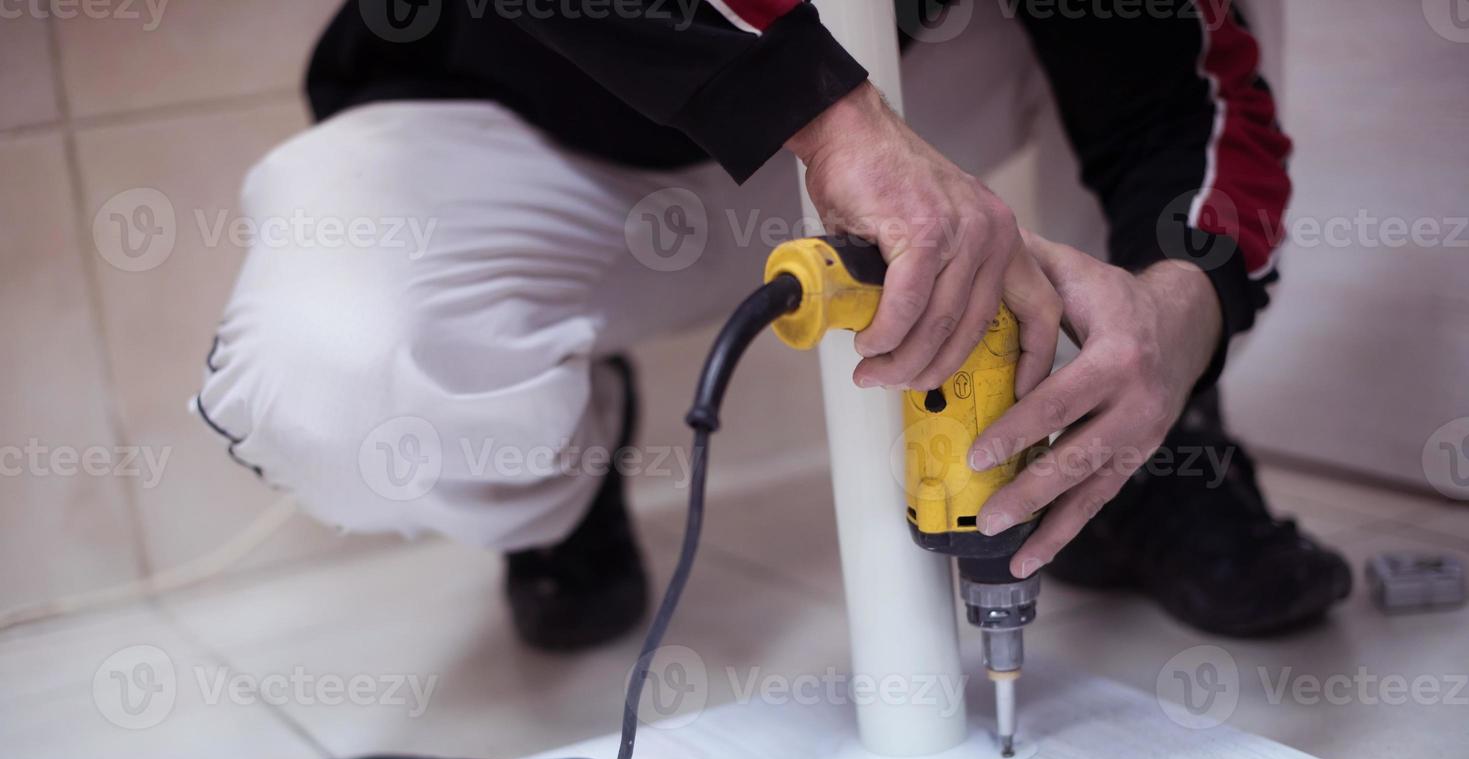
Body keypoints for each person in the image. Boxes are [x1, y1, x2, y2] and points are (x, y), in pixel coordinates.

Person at [196, 0, 1350, 651]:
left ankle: (1140, 443)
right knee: (327, 383)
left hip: (908, 91)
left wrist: (1173, 313)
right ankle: (565, 439)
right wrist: (825, 120)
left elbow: (1186, 89)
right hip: (536, 118)